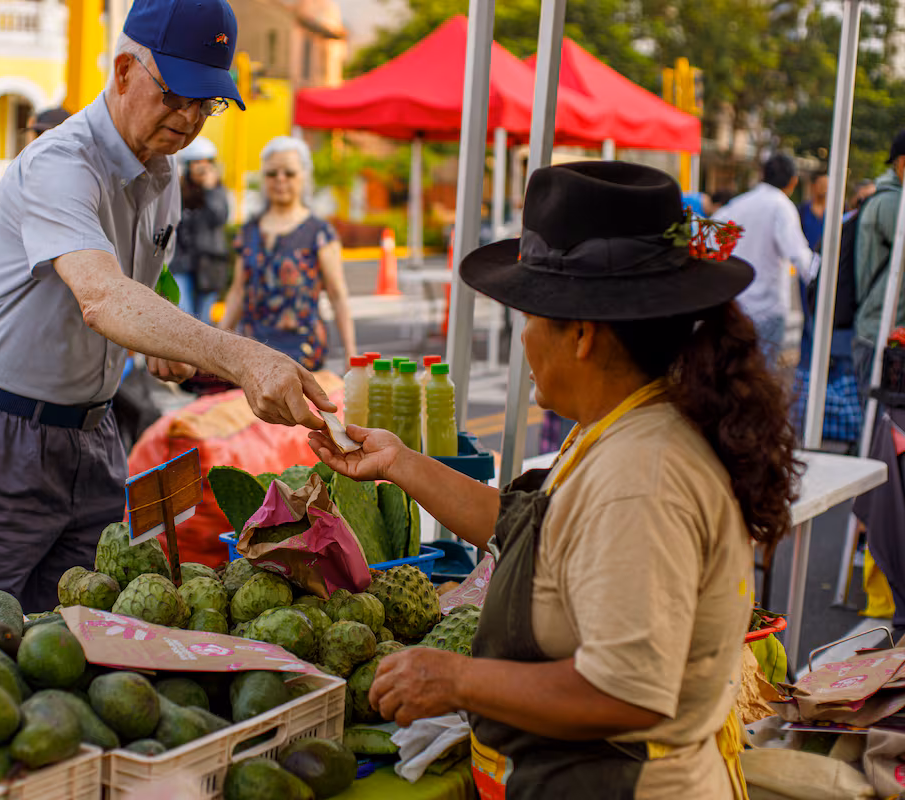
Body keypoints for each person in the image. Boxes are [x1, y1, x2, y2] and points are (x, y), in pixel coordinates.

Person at [310, 161, 799, 798]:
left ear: (583, 335)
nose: (522, 339)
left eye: (529, 318)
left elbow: (626, 692)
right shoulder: (618, 426)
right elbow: (526, 532)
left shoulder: (643, 475)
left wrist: (458, 679)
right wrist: (399, 462)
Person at [0, 0, 335, 613]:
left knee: (81, 630)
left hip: (96, 431)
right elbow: (103, 295)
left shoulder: (162, 177)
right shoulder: (59, 164)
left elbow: (147, 286)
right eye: (175, 95)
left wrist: (167, 344)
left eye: (206, 103)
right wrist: (242, 357)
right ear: (123, 71)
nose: (188, 118)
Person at [219, 136, 356, 370]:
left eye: (289, 173)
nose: (280, 180)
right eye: (272, 174)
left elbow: (337, 294)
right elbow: (238, 291)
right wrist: (218, 342)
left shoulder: (319, 232)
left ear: (304, 176)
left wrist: (351, 353)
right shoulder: (249, 231)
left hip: (302, 352)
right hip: (253, 351)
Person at [713, 153, 816, 367]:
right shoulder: (781, 206)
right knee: (762, 375)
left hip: (735, 307)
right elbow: (798, 254)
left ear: (762, 174)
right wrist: (823, 278)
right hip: (768, 310)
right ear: (793, 181)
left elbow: (709, 242)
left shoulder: (737, 205)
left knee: (735, 372)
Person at [853, 129, 905, 402]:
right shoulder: (893, 203)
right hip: (881, 334)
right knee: (878, 419)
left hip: (881, 332)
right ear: (903, 164)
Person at [170, 136, 229, 321]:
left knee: (204, 320)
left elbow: (218, 218)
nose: (202, 168)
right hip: (182, 263)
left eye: (206, 163)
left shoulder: (217, 191)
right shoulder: (178, 191)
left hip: (209, 265)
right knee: (184, 315)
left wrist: (209, 190)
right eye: (197, 163)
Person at [798, 171, 827, 253]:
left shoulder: (838, 212)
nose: (824, 188)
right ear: (813, 186)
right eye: (821, 184)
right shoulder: (803, 210)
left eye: (826, 184)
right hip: (807, 256)